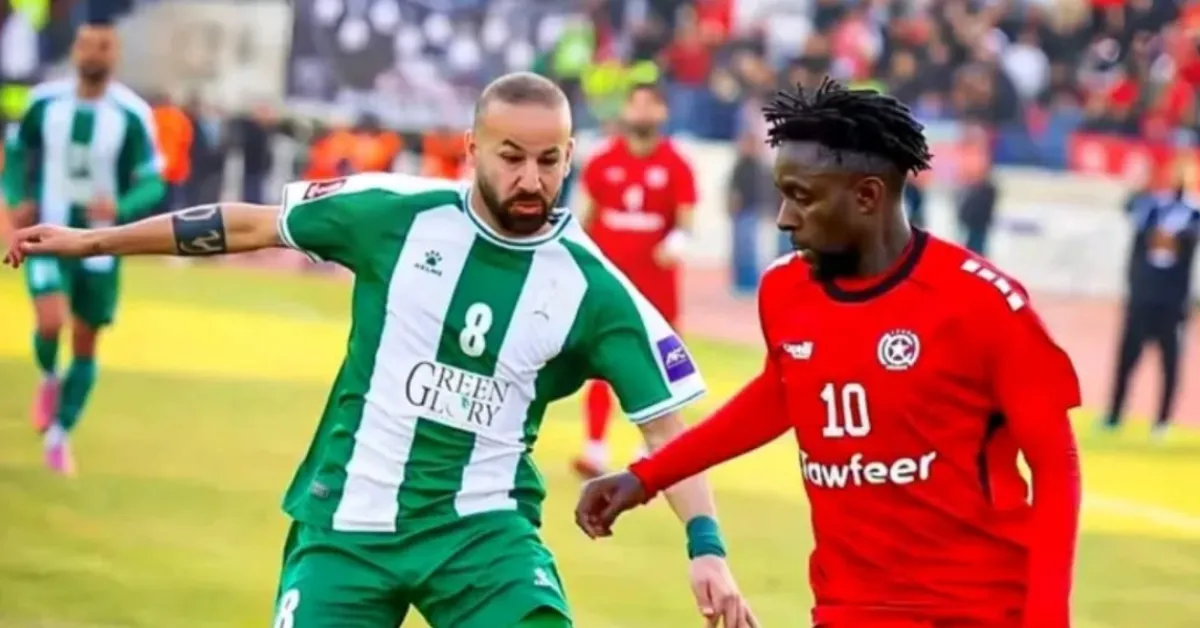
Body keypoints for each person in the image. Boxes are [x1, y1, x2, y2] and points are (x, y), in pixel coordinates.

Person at [5, 72, 756, 628]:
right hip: (347, 526)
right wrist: (96, 242)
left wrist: (708, 547)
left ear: (570, 157)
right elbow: (252, 224)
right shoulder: (394, 213)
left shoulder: (595, 289)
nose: (531, 179)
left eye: (550, 160)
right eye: (511, 157)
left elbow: (665, 429)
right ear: (471, 149)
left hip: (482, 538)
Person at [575, 79, 1083, 628]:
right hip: (847, 607)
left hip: (974, 610)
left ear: (867, 196)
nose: (784, 218)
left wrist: (1048, 617)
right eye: (783, 195)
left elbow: (1056, 464)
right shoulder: (785, 290)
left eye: (803, 197)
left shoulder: (981, 303)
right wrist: (647, 477)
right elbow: (781, 394)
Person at [1, 20, 165, 475]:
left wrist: (121, 206)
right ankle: (48, 377)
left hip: (100, 242)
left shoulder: (132, 114)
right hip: (49, 233)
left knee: (86, 340)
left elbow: (153, 180)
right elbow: (15, 154)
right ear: (75, 51)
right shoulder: (44, 102)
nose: (94, 53)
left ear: (115, 54)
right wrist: (16, 198)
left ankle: (60, 434)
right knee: (50, 320)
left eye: (103, 46)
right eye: (87, 45)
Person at [574, 82, 697, 478]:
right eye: (635, 104)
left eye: (650, 105)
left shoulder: (676, 164)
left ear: (662, 112)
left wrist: (677, 241)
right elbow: (585, 217)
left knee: (657, 364)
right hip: (611, 281)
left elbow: (686, 218)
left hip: (657, 283)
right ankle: (594, 448)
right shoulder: (602, 160)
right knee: (600, 358)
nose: (641, 112)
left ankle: (653, 450)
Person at [1102, 174, 1199, 438]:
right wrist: (1142, 185)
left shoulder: (1192, 213)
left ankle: (1162, 421)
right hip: (1142, 298)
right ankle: (1114, 415)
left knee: (1170, 364)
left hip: (1172, 303)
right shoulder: (1151, 207)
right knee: (1127, 359)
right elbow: (1129, 208)